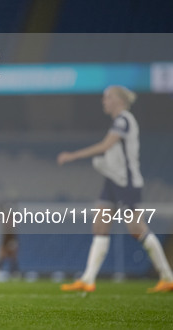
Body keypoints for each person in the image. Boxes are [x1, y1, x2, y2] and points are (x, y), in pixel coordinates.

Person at [57, 85, 173, 293]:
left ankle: (167, 276)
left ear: (119, 100)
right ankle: (88, 279)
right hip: (112, 180)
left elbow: (105, 146)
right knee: (100, 226)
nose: (104, 101)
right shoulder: (120, 121)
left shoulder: (124, 120)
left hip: (125, 182)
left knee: (136, 229)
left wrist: (72, 156)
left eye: (107, 97)